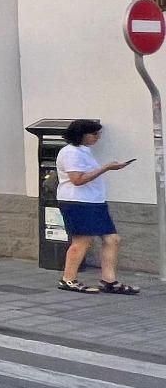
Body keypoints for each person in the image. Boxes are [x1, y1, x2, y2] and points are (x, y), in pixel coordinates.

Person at [55, 119, 138, 294]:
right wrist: (106, 167)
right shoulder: (70, 152)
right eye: (94, 134)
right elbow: (77, 180)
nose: (97, 137)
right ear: (81, 134)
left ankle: (109, 281)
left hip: (94, 202)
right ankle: (68, 279)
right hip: (78, 202)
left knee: (112, 239)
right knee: (82, 241)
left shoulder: (84, 152)